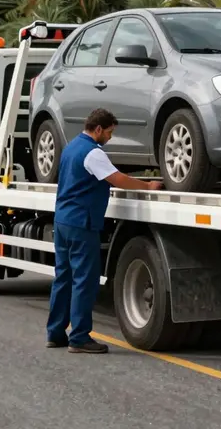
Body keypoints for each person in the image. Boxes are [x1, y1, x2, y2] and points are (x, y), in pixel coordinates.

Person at [45, 108, 163, 353]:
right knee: (84, 281)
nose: (110, 137)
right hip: (81, 223)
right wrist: (148, 185)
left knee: (63, 278)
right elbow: (118, 179)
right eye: (109, 132)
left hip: (63, 220)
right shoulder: (93, 152)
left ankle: (55, 333)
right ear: (98, 129)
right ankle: (79, 338)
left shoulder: (70, 147)